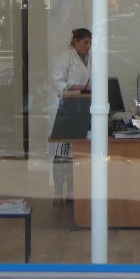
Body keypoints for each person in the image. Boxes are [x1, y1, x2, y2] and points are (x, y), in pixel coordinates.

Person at [47, 27, 92, 204]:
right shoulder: (64, 58)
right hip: (63, 108)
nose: (88, 46)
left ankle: (72, 191)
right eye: (85, 42)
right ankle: (58, 192)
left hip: (80, 107)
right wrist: (82, 88)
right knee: (61, 153)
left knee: (75, 152)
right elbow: (57, 81)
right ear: (75, 41)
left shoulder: (88, 59)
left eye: (90, 43)